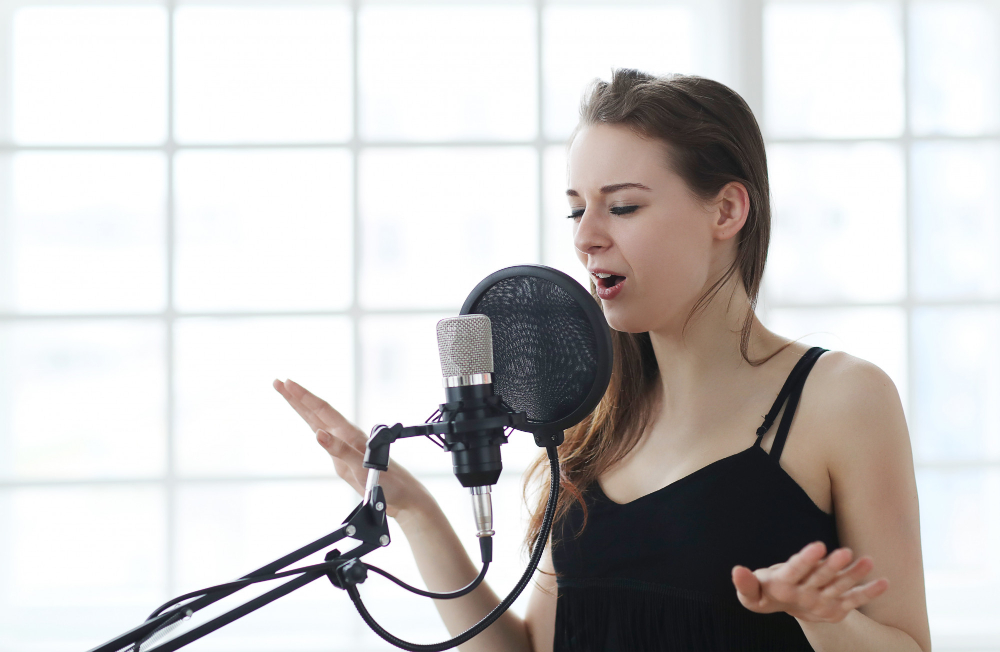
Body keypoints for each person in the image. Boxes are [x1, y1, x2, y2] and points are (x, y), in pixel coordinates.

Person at [273, 69, 930, 652]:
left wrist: (819, 618)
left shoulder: (842, 400)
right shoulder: (591, 423)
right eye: (576, 210)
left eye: (623, 206)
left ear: (726, 210)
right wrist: (413, 507)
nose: (587, 238)